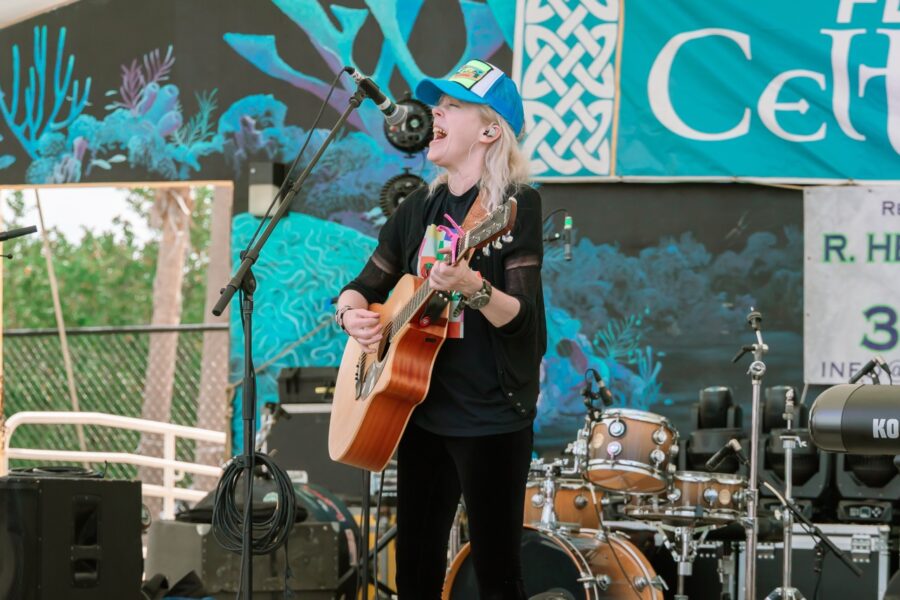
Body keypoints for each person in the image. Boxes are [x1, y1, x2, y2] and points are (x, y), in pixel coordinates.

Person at [334, 58, 546, 599]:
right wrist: (350, 312)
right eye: (436, 105)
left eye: (451, 106)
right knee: (416, 576)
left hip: (491, 415)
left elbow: (523, 321)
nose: (435, 114)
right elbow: (364, 285)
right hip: (418, 408)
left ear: (490, 130)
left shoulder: (514, 207)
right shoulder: (418, 208)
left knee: (498, 575)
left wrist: (473, 287)